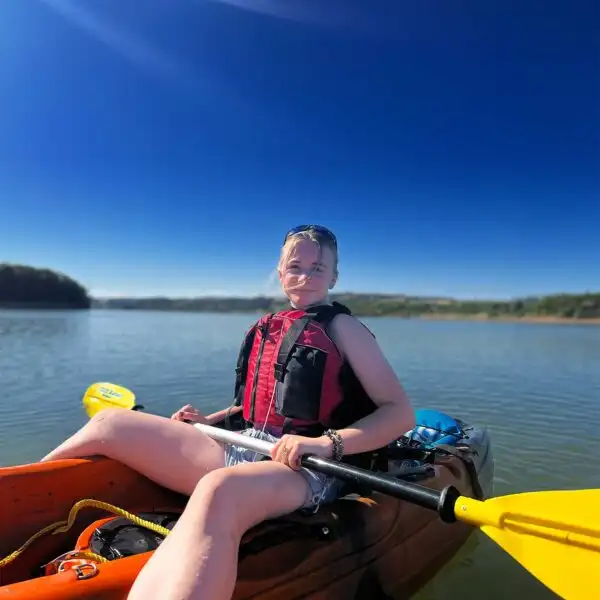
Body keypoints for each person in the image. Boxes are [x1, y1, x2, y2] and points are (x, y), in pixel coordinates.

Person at [41, 225, 416, 600]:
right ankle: (21, 508)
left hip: (309, 469)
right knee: (110, 422)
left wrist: (322, 444)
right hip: (247, 446)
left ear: (334, 276)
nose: (305, 276)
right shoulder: (268, 326)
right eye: (295, 266)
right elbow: (255, 406)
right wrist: (210, 422)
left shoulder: (343, 327)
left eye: (318, 268)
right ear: (280, 271)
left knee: (219, 489)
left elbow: (399, 414)